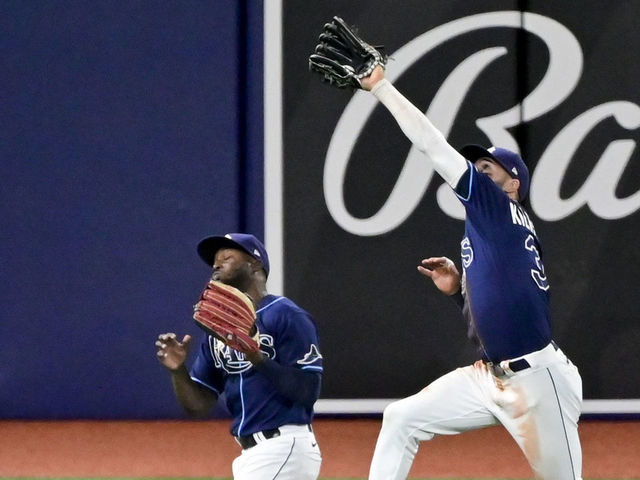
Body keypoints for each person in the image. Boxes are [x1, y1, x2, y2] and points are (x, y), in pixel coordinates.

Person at [359, 67, 583, 479]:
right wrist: (460, 291)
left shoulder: (497, 208)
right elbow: (511, 299)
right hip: (487, 378)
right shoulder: (497, 228)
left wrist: (381, 88)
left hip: (538, 381)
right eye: (477, 166)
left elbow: (430, 144)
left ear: (513, 184)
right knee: (401, 419)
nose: (478, 172)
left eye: (489, 168)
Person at [156, 233, 323, 480]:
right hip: (251, 456)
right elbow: (199, 405)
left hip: (284, 446)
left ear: (254, 264)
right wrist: (178, 370)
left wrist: (256, 357)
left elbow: (308, 392)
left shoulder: (286, 315)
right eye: (214, 260)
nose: (216, 264)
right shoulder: (217, 331)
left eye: (227, 257)